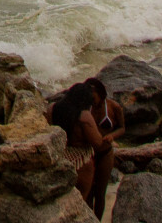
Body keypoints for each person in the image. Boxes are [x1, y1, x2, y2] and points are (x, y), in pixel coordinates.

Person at [50, 77, 124, 218]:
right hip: (87, 154)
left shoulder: (113, 107)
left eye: (93, 97)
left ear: (101, 94)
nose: (92, 100)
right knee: (87, 194)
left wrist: (112, 136)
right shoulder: (83, 111)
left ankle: (97, 219)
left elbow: (122, 128)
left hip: (104, 153)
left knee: (100, 194)